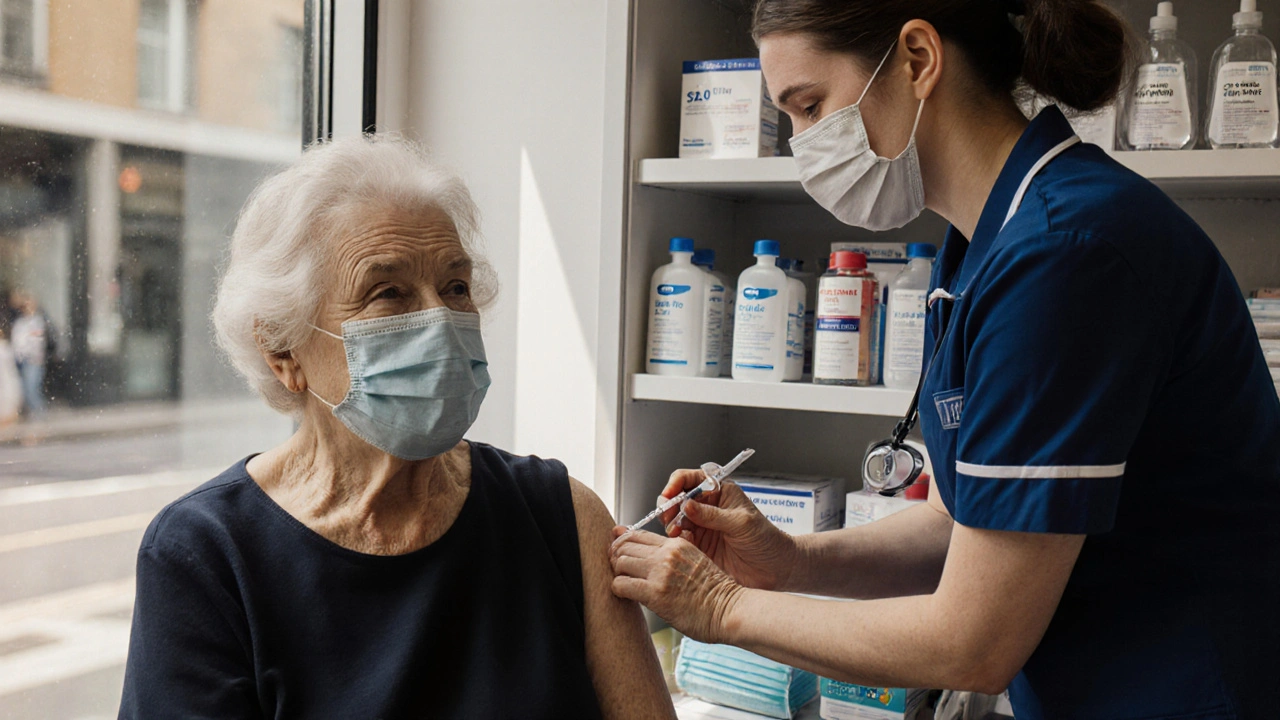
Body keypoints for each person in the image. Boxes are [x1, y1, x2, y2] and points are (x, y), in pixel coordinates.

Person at [611, 2, 1280, 719]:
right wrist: (792, 562)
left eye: (810, 107)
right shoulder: (981, 248)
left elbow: (975, 642)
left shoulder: (1066, 253)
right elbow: (966, 523)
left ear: (919, 59)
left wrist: (719, 607)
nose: (802, 144)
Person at [119, 136, 675, 720]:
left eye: (456, 287)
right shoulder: (205, 555)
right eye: (388, 292)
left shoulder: (561, 517)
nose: (440, 320)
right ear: (283, 349)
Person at [9, 290, 49, 420]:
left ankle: (39, 414)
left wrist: (33, 356)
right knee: (24, 388)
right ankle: (35, 413)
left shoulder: (37, 321)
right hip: (20, 359)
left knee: (31, 388)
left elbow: (37, 342)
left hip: (32, 359)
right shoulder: (20, 321)